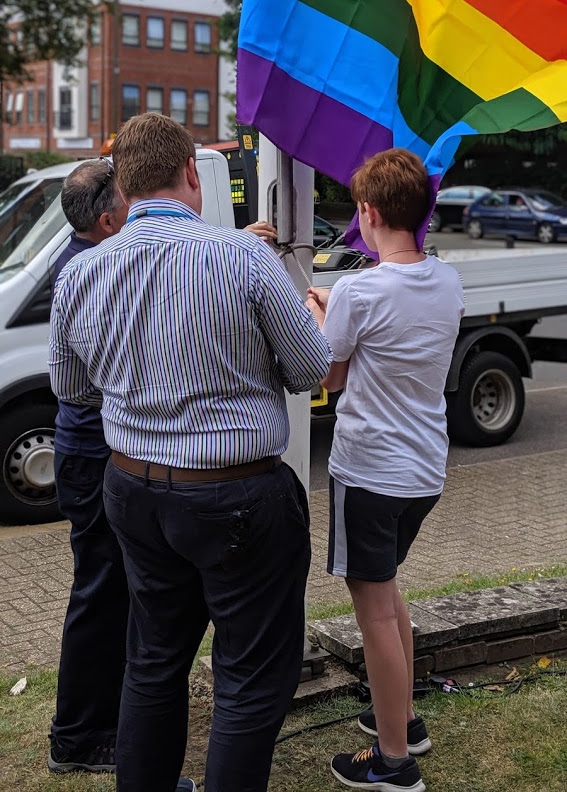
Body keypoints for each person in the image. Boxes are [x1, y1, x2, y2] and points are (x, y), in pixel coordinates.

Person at [49, 112, 332, 792]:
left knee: (152, 661)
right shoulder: (242, 256)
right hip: (236, 497)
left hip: (134, 491)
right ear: (188, 176)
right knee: (248, 679)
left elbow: (72, 388)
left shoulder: (81, 273)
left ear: (123, 185)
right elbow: (308, 369)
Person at [307, 149, 464, 792]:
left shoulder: (357, 289)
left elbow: (328, 374)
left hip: (369, 470)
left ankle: (394, 762)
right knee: (387, 590)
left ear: (368, 214)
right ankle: (399, 717)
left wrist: (319, 313)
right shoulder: (448, 280)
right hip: (423, 469)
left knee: (372, 609)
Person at [48, 159, 129, 775]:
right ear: (106, 220)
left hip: (90, 450)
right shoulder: (89, 273)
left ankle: (105, 721)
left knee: (113, 591)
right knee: (100, 594)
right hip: (93, 452)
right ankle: (78, 738)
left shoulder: (88, 258)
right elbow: (69, 385)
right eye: (130, 201)